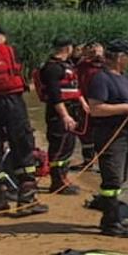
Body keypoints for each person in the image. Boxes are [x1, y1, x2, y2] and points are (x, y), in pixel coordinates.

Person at [84, 39, 128, 238]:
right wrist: (127, 108)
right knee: (112, 178)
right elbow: (96, 109)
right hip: (109, 135)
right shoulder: (101, 79)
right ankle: (110, 223)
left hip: (126, 134)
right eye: (127, 56)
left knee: (120, 177)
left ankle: (113, 215)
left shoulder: (123, 76)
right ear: (119, 57)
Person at [0, 23, 45, 213]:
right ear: (0, 37)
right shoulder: (14, 51)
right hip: (13, 102)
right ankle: (26, 200)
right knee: (22, 146)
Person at [37, 37, 85, 195]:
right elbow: (55, 96)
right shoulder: (53, 68)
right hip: (59, 113)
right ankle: (57, 182)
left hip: (71, 109)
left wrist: (82, 104)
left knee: (68, 146)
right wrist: (65, 116)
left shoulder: (66, 65)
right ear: (67, 48)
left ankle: (63, 178)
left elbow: (73, 88)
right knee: (60, 147)